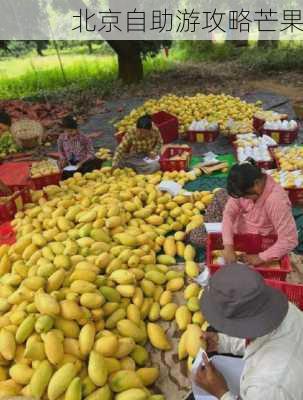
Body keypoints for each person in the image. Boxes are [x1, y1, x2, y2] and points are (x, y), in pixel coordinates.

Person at [195, 263, 303, 399]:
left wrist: (221, 392)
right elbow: (262, 339)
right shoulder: (284, 310)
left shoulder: (267, 389)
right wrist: (222, 342)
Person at [222, 159, 298, 265]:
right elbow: (229, 213)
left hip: (263, 244)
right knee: (220, 196)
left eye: (245, 196)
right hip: (241, 237)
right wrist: (228, 245)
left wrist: (260, 258)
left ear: (256, 184)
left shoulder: (276, 201)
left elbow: (289, 239)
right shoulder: (243, 189)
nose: (243, 198)